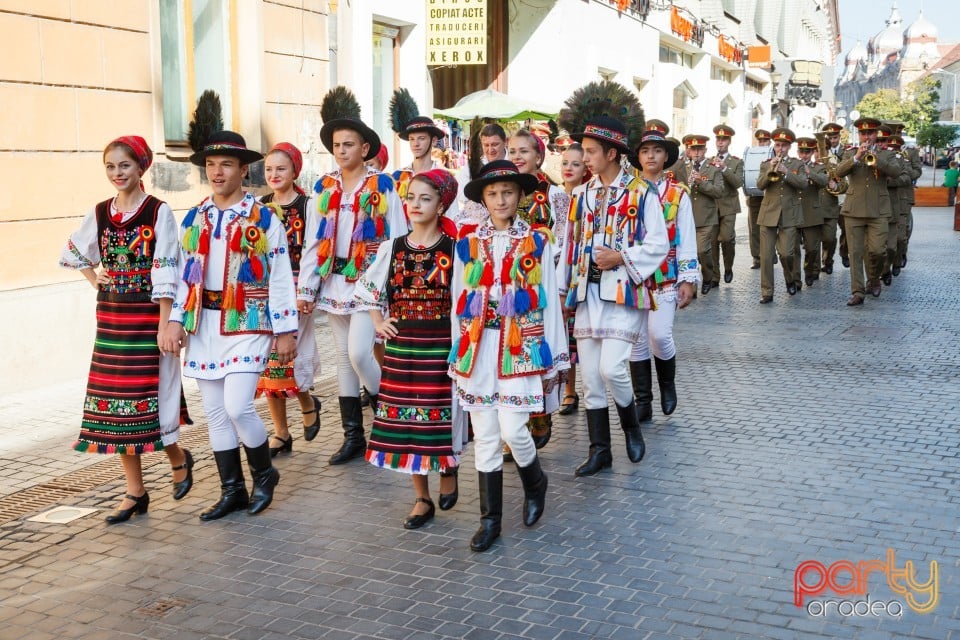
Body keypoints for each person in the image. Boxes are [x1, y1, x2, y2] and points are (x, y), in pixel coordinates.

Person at [160, 130, 296, 520]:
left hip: (249, 321)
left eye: (226, 165)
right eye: (211, 165)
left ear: (242, 169)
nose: (217, 172)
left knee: (238, 407)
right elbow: (186, 274)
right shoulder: (197, 215)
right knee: (216, 414)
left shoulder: (264, 217)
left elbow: (281, 275)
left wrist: (285, 330)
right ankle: (232, 490)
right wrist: (175, 320)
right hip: (205, 324)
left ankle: (265, 474)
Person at [62, 136, 194, 524]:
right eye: (110, 166)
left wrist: (166, 322)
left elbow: (168, 264)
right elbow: (73, 251)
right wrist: (95, 278)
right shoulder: (101, 212)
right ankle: (135, 492)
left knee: (153, 397)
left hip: (147, 316)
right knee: (115, 406)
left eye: (124, 166)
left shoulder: (158, 212)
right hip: (112, 319)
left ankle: (177, 456)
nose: (117, 173)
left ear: (141, 168)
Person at [450, 160, 570, 552]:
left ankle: (535, 482)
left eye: (507, 192)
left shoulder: (537, 240)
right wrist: (459, 351)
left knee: (514, 429)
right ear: (483, 199)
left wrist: (555, 358)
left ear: (520, 196)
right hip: (480, 348)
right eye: (492, 193)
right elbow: (458, 302)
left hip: (521, 346)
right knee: (484, 434)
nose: (500, 200)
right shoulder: (467, 243)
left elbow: (549, 301)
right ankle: (490, 520)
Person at [557, 106, 669, 477]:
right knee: (590, 375)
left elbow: (658, 243)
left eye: (590, 151)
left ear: (612, 153)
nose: (584, 158)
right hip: (587, 294)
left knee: (612, 369)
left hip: (624, 293)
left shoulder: (641, 192)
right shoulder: (582, 194)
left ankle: (631, 429)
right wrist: (562, 290)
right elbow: (570, 242)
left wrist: (621, 256)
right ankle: (599, 450)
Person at [298, 87, 407, 464]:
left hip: (370, 281)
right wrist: (306, 287)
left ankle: (390, 420)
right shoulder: (322, 187)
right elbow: (314, 241)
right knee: (344, 358)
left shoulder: (383, 186)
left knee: (360, 352)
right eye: (337, 144)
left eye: (349, 144)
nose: (342, 150)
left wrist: (385, 283)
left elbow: (398, 237)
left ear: (365, 149)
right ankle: (353, 436)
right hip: (334, 279)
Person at [356, 169, 465, 530]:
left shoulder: (455, 249)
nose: (415, 204)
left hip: (440, 344)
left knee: (439, 414)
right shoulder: (393, 247)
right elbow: (369, 287)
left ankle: (449, 466)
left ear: (441, 204)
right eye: (412, 197)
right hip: (402, 346)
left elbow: (465, 298)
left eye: (425, 198)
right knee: (406, 421)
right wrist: (377, 321)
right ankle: (421, 497)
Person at [628, 124, 699, 419]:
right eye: (645, 151)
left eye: (657, 150)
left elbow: (687, 236)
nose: (651, 156)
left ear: (666, 156)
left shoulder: (677, 194)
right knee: (636, 339)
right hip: (633, 276)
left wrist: (688, 279)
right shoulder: (627, 191)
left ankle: (667, 385)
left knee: (659, 334)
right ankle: (643, 401)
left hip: (666, 276)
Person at [506, 128, 571, 452]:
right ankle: (514, 422)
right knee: (508, 350)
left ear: (539, 156)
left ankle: (540, 414)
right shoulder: (503, 191)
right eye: (512, 151)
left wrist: (557, 287)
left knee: (536, 347)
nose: (517, 157)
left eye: (524, 151)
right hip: (506, 285)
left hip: (540, 284)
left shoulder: (555, 195)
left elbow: (564, 240)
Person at [256, 143, 322, 456]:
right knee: (269, 363)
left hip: (296, 289)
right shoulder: (259, 205)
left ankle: (308, 401)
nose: (274, 175)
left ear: (295, 171)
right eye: (269, 169)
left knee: (290, 357)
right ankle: (281, 432)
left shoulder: (307, 205)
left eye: (281, 169)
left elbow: (313, 249)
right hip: (267, 291)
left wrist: (306, 291)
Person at [835, 117, 904, 306]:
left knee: (878, 251)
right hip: (853, 210)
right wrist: (856, 157)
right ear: (859, 134)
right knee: (855, 253)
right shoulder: (850, 152)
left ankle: (873, 278)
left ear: (876, 134)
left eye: (870, 133)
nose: (867, 136)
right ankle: (857, 292)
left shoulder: (887, 154)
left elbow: (896, 172)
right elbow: (838, 172)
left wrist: (876, 160)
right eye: (863, 133)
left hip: (879, 210)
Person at [756, 128, 807, 304]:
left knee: (787, 253)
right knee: (766, 256)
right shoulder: (765, 163)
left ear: (790, 146)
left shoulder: (797, 164)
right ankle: (767, 291)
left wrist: (786, 171)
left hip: (789, 214)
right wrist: (771, 169)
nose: (780, 148)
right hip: (768, 214)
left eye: (784, 145)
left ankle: (790, 278)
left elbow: (803, 184)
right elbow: (760, 185)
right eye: (777, 145)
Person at [557, 143, 589, 417]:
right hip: (549, 270)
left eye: (575, 164)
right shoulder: (553, 196)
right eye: (565, 163)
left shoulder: (585, 197)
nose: (568, 168)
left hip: (574, 274)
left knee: (571, 335)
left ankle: (571, 389)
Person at [672, 134, 724, 294]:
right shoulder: (680, 167)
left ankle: (708, 276)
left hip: (706, 218)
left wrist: (701, 183)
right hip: (686, 219)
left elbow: (719, 191)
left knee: (702, 251)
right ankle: (691, 287)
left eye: (699, 149)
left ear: (705, 150)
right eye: (693, 149)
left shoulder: (713, 168)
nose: (696, 152)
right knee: (688, 253)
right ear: (688, 150)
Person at [708, 125, 744, 285]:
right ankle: (715, 275)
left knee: (727, 238)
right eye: (718, 139)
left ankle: (728, 266)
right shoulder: (709, 161)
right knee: (713, 241)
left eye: (724, 140)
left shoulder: (736, 162)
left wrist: (724, 168)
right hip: (712, 206)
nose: (720, 143)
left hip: (729, 205)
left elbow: (737, 183)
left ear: (729, 141)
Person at [794, 137, 828, 288]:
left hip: (811, 213)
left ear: (813, 152)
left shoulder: (818, 167)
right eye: (801, 151)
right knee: (793, 249)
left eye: (807, 152)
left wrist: (809, 172)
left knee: (812, 248)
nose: (804, 155)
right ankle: (795, 279)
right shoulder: (792, 165)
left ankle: (809, 270)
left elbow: (824, 181)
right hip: (794, 211)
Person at [743, 129, 773, 269]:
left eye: (765, 141)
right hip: (754, 197)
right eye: (760, 141)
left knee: (770, 228)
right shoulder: (751, 154)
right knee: (754, 229)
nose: (762, 144)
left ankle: (770, 254)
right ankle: (757, 258)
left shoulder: (773, 154)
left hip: (770, 197)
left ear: (769, 142)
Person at [818, 123, 845, 275]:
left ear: (839, 137)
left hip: (841, 197)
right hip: (822, 199)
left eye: (835, 137)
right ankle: (820, 265)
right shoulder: (818, 154)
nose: (832, 141)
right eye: (829, 138)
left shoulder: (845, 151)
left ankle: (841, 252)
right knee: (818, 238)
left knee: (842, 232)